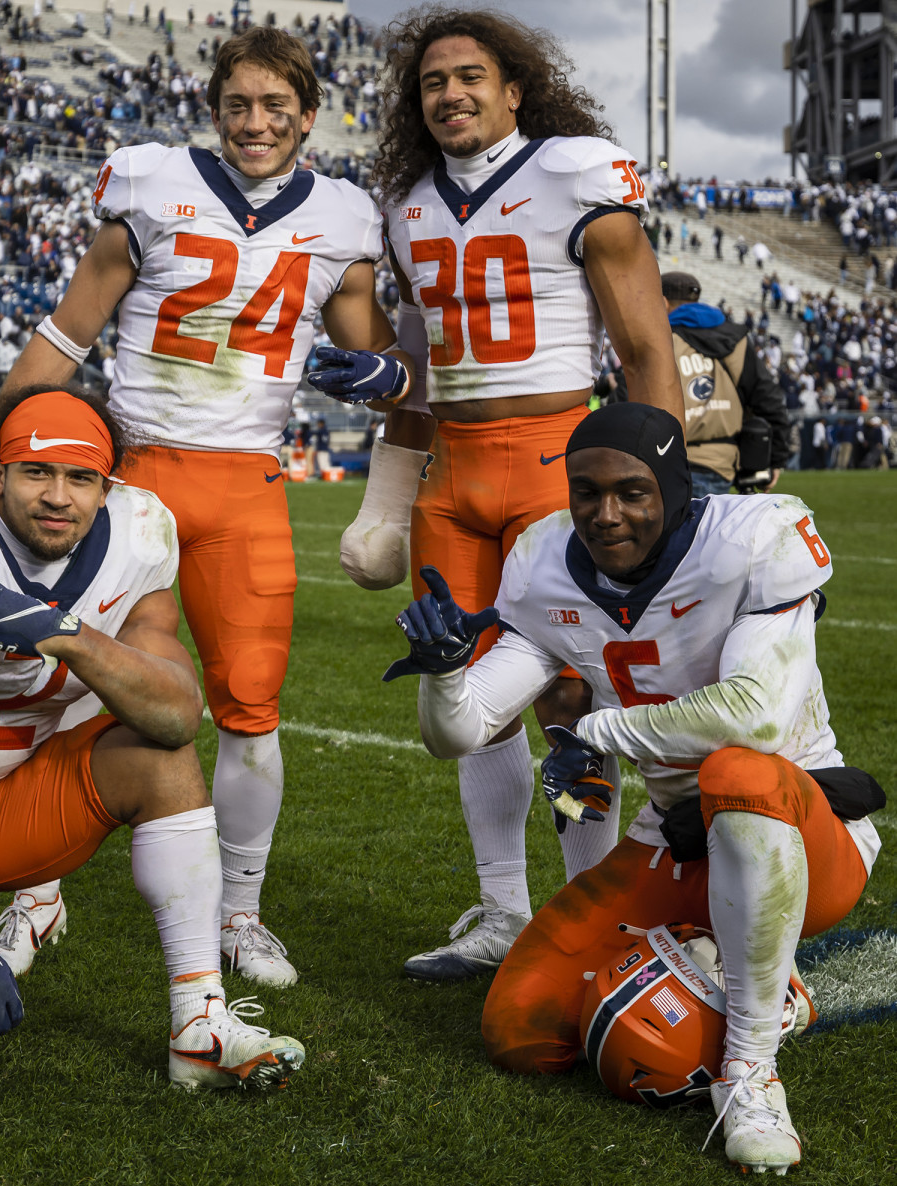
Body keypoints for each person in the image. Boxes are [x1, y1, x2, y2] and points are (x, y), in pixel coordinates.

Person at [0, 27, 411, 987]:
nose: (256, 122)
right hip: (135, 473)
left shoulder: (346, 219)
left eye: (276, 107)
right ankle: (32, 885)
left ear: (309, 116)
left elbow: (391, 372)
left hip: (245, 484)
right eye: (238, 104)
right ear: (214, 109)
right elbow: (66, 334)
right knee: (63, 679)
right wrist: (3, 448)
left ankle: (240, 911)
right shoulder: (148, 184)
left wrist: (375, 373)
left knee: (251, 708)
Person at [389, 403, 883, 1174]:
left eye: (631, 491)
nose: (605, 513)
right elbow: (461, 731)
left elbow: (750, 719)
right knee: (521, 1031)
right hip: (675, 835)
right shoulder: (543, 559)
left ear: (675, 490)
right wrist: (447, 674)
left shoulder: (754, 537)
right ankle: (720, 958)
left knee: (735, 774)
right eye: (585, 492)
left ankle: (750, 1064)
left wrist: (593, 734)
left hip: (798, 831)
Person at [320, 8, 683, 981]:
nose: (451, 94)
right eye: (434, 82)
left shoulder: (574, 172)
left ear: (514, 87)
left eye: (470, 76)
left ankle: (588, 914)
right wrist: (384, 498)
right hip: (454, 479)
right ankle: (500, 913)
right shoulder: (405, 205)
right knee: (465, 691)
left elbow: (645, 346)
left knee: (568, 695)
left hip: (560, 471)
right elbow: (416, 375)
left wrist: (669, 484)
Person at [0, 386, 305, 1097]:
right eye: (35, 472)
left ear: (107, 487)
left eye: (81, 478)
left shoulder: (140, 534)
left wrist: (69, 637)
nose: (58, 496)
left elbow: (176, 715)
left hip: (16, 805)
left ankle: (199, 1026)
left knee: (158, 752)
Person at [616, 272, 790, 497]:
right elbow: (771, 402)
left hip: (664, 462)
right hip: (721, 465)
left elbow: (622, 405)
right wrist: (775, 459)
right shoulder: (738, 342)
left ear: (662, 302)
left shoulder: (657, 341)